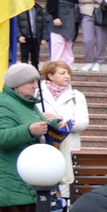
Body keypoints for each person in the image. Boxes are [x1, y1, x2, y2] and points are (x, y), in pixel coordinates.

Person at [0, 64, 54, 212]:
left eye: (36, 81)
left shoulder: (27, 103)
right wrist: (29, 130)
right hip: (12, 184)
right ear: (17, 84)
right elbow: (0, 137)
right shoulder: (3, 104)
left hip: (28, 181)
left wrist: (54, 125)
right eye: (30, 82)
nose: (35, 86)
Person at [38, 61, 89, 198]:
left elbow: (83, 122)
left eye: (68, 73)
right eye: (62, 73)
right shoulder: (37, 94)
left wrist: (60, 119)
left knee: (64, 190)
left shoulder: (77, 96)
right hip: (45, 145)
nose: (67, 76)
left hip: (68, 146)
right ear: (50, 75)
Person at [40, 0, 79, 65]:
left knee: (68, 42)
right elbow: (51, 3)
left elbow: (75, 1)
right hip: (59, 15)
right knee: (58, 42)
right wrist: (55, 17)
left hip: (69, 15)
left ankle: (67, 64)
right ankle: (56, 63)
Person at [77, 0, 107, 71]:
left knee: (101, 40)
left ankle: (99, 62)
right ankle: (89, 61)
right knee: (87, 40)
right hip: (87, 15)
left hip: (101, 16)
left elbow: (105, 0)